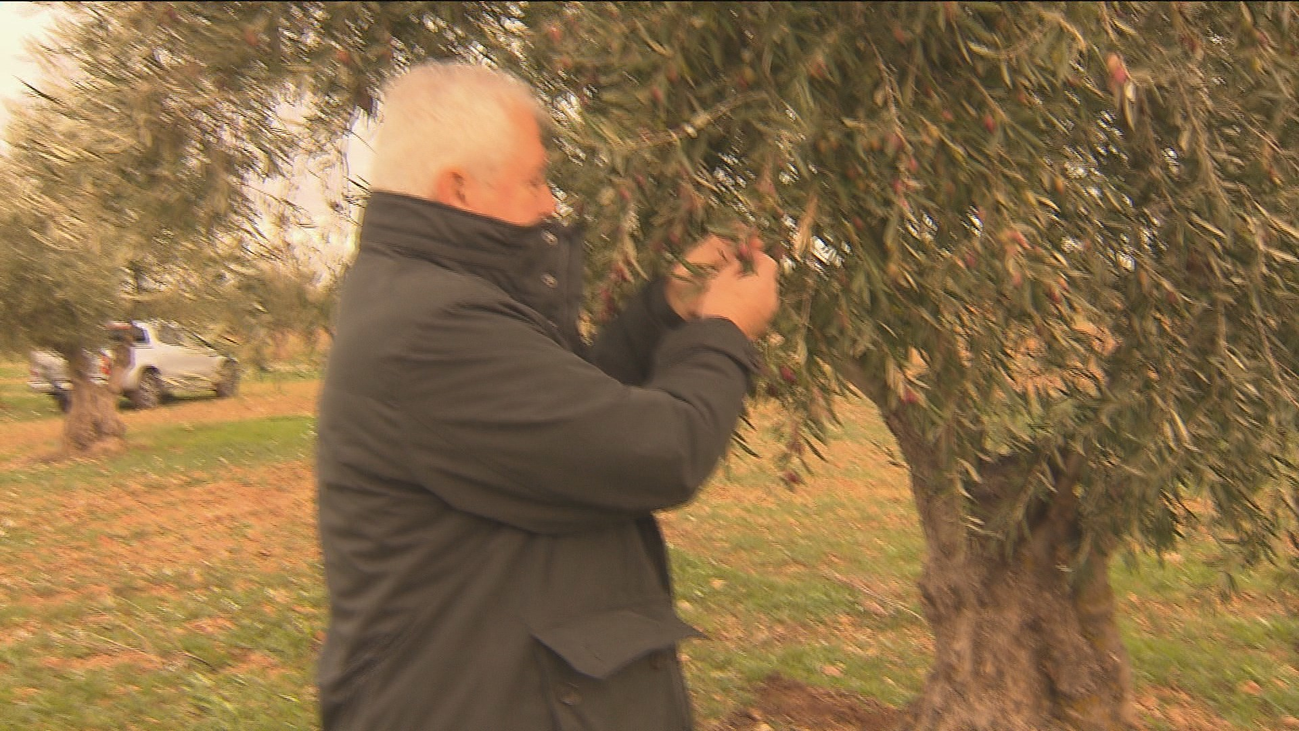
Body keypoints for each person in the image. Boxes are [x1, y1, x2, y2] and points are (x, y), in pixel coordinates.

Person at [316, 61, 780, 731]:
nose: (550, 202)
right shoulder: (434, 327)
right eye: (533, 179)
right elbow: (656, 450)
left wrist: (665, 313)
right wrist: (724, 332)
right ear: (459, 188)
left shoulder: (430, 296)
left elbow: (564, 416)